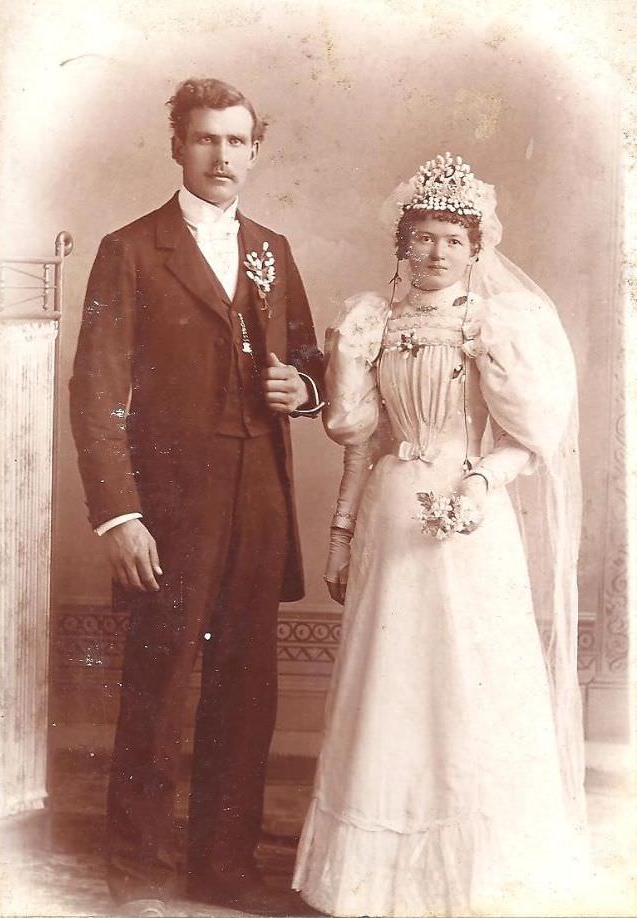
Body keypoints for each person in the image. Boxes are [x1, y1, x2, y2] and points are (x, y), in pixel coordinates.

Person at [293, 153, 587, 916]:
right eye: (422, 238)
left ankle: (475, 875)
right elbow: (362, 440)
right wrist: (340, 534)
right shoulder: (370, 322)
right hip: (393, 517)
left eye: (451, 240)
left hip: (470, 517)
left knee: (468, 683)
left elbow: (528, 439)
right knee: (391, 686)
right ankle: (371, 886)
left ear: (475, 248)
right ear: (403, 243)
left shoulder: (496, 325)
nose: (434, 254)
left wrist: (482, 483)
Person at [70, 77, 323, 918]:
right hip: (171, 504)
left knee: (247, 686)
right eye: (208, 139)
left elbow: (308, 360)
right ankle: (137, 871)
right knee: (161, 681)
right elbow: (95, 390)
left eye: (238, 141)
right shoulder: (130, 249)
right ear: (177, 146)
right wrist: (120, 512)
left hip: (260, 497)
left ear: (256, 150)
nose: (223, 156)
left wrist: (304, 388)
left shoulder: (272, 248)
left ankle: (225, 865)